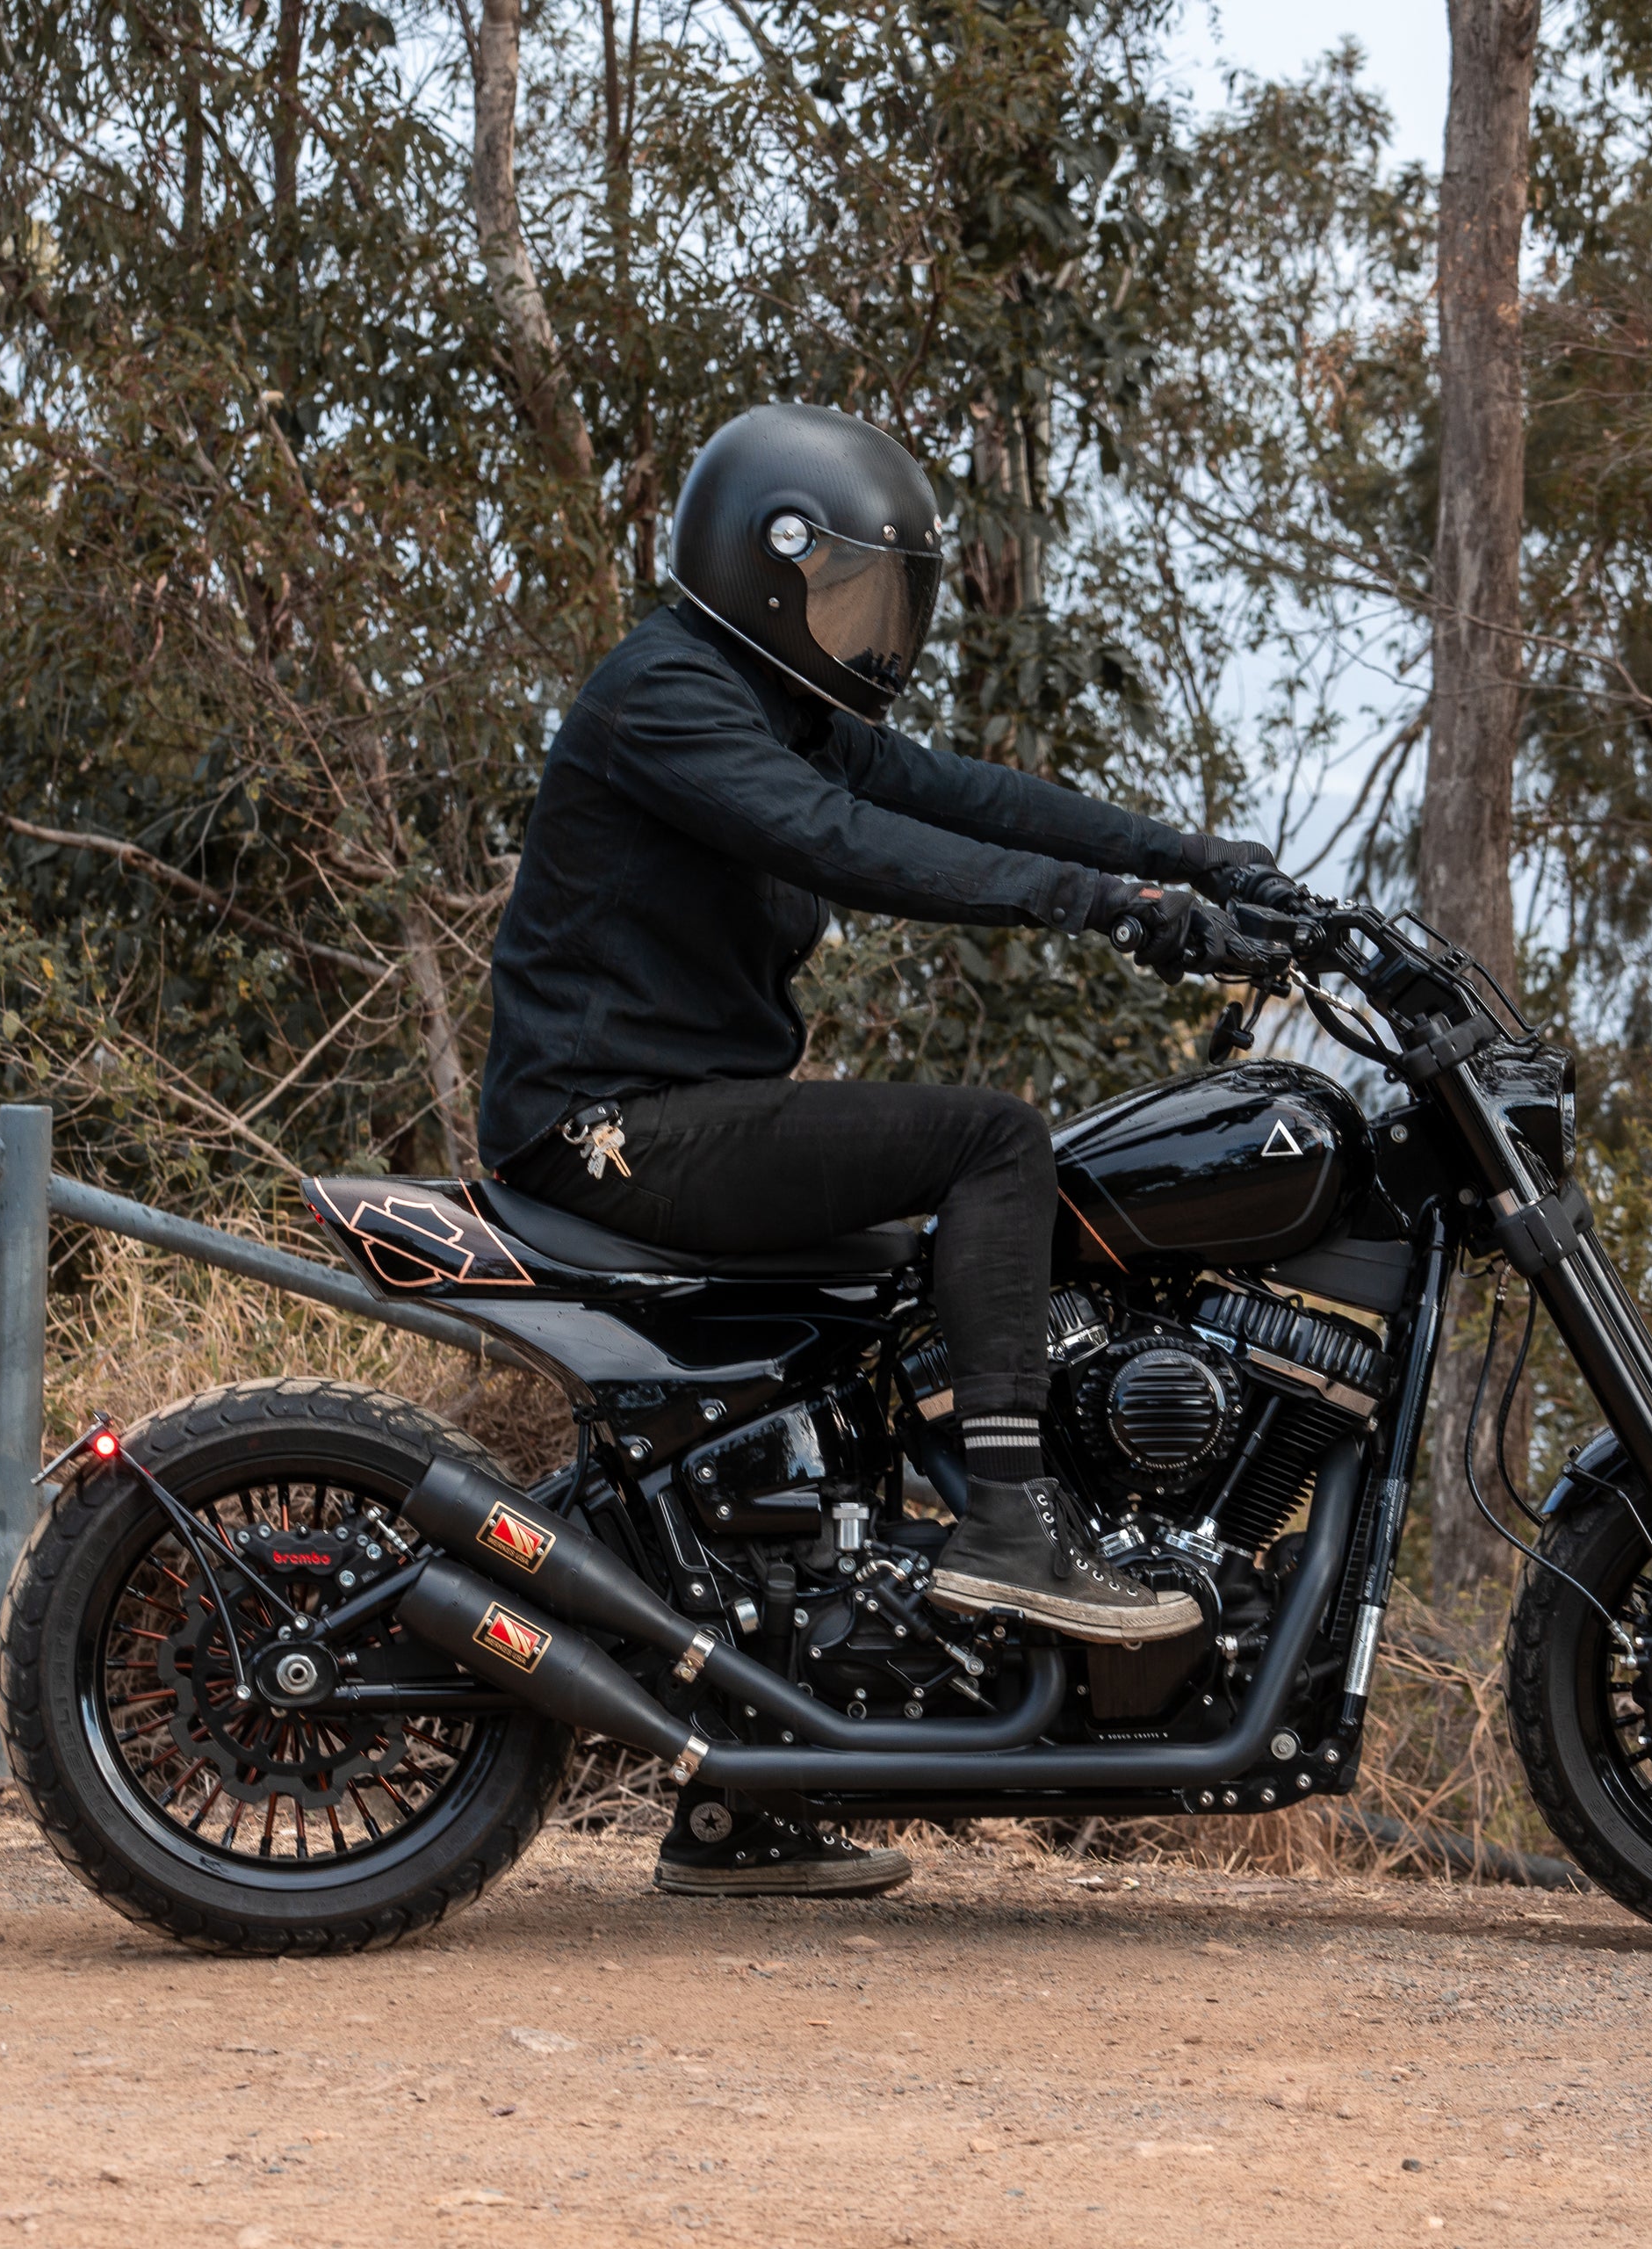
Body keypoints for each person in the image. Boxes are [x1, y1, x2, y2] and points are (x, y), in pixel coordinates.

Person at [478, 401, 1279, 1897]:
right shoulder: (669, 695)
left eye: (888, 597)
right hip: (611, 1128)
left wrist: (1188, 861)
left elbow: (967, 795)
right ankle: (1010, 1525)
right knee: (993, 1143)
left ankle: (750, 1789)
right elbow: (843, 841)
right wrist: (1102, 909)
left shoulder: (781, 704)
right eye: (850, 589)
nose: (874, 626)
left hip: (682, 1115)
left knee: (915, 1296)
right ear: (768, 563)